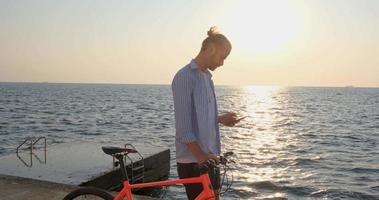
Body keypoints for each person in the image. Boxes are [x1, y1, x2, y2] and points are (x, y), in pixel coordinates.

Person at [171, 27, 242, 200]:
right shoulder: (184, 76)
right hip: (194, 162)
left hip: (210, 158)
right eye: (222, 57)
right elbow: (183, 128)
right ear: (210, 49)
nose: (222, 63)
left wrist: (219, 119)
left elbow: (199, 117)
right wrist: (201, 157)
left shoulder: (207, 78)